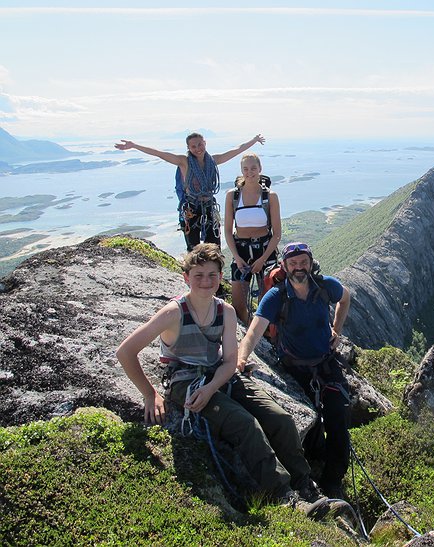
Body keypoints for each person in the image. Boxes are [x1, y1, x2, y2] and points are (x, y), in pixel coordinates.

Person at [115, 243, 336, 516]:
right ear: (186, 277)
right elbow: (125, 352)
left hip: (219, 375)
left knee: (280, 418)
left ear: (221, 277)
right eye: (198, 275)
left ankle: (305, 483)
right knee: (246, 425)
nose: (206, 282)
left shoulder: (225, 311)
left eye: (212, 275)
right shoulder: (174, 313)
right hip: (186, 382)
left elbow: (231, 361)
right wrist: (150, 394)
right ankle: (285, 496)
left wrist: (211, 387)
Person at [237, 241, 352, 499]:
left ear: (310, 263)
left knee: (338, 419)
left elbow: (345, 297)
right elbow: (254, 331)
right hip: (295, 368)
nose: (299, 268)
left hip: (325, 363)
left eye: (303, 262)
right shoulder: (276, 296)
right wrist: (241, 358)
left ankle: (333, 480)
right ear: (284, 266)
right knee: (311, 425)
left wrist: (337, 329)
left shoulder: (325, 286)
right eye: (293, 263)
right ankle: (316, 464)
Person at [115, 133, 265, 251]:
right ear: (188, 148)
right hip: (191, 209)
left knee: (214, 247)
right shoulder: (184, 162)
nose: (198, 148)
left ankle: (216, 285)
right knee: (193, 248)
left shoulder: (213, 160)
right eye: (193, 146)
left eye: (200, 144)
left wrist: (254, 140)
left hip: (208, 208)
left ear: (205, 143)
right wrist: (134, 145)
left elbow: (237, 150)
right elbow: (159, 153)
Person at [224, 153, 281, 323]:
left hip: (265, 250)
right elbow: (228, 230)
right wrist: (237, 258)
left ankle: (265, 337)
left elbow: (277, 233)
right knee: (238, 305)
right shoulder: (232, 196)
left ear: (260, 169)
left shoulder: (270, 196)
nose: (249, 172)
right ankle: (251, 335)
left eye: (253, 168)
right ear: (241, 171)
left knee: (266, 303)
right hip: (240, 251)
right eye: (245, 169)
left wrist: (262, 260)